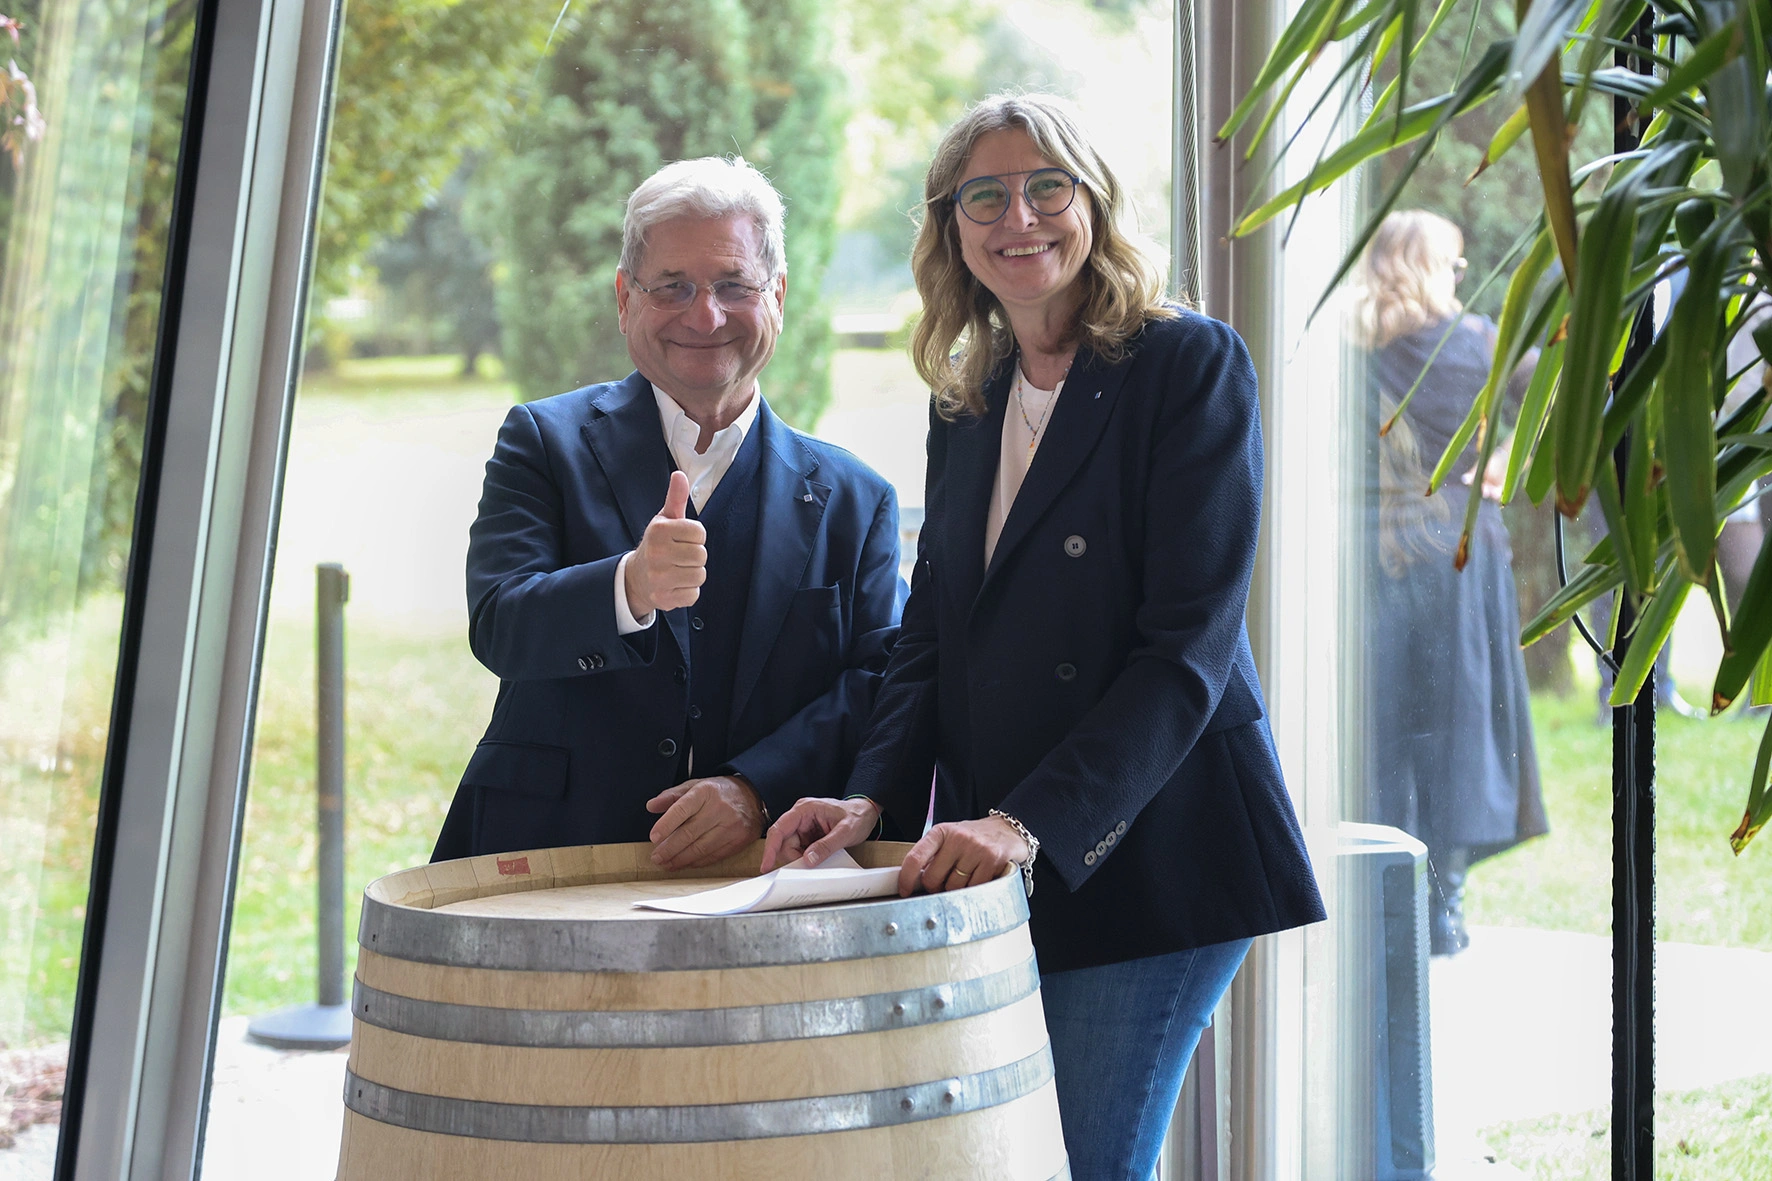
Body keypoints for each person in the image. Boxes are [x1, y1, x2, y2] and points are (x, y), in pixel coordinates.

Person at [760, 94, 1325, 1179]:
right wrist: (871, 795)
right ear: (951, 227)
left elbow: (1187, 650)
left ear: (1092, 200)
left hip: (1152, 847)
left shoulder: (1187, 363)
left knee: (1083, 1163)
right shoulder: (968, 395)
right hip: (1009, 853)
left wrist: (1026, 823)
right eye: (985, 196)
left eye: (1045, 186)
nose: (1018, 217)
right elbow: (932, 632)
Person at [433, 156, 904, 869]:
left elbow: (878, 683)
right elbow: (500, 626)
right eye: (672, 287)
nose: (705, 315)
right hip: (547, 861)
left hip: (759, 875)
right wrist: (630, 586)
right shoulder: (542, 442)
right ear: (626, 298)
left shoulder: (857, 499)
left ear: (777, 294)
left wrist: (757, 789)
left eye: (733, 285)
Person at [1354, 209, 1548, 955]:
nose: (1461, 276)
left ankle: (1381, 911)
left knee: (1377, 730)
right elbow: (1559, 388)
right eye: (1454, 263)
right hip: (1459, 554)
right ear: (1431, 267)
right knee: (1456, 728)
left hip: (1370, 555)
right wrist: (1504, 460)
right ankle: (1444, 910)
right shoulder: (1478, 344)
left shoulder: (1347, 349)